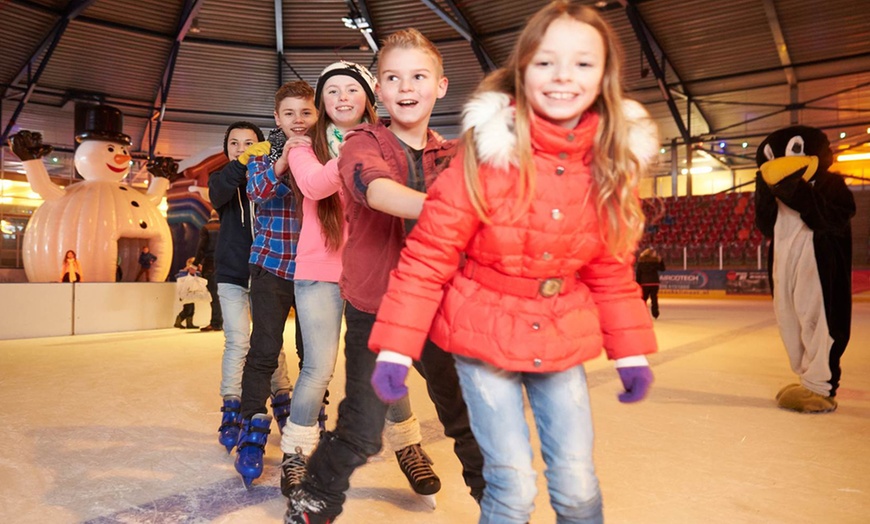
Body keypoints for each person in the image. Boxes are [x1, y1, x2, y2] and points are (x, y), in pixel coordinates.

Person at [367, 4, 660, 523]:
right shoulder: (484, 154)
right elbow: (430, 252)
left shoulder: (610, 163)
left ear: (605, 77)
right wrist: (396, 347)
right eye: (547, 62)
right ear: (523, 70)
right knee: (512, 486)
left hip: (560, 333)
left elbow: (609, 270)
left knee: (574, 482)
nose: (564, 76)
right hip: (483, 338)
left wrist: (631, 351)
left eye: (583, 64)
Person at [285, 29, 485, 524]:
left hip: (440, 310)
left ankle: (501, 507)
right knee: (362, 426)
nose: (406, 86)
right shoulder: (360, 143)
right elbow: (377, 191)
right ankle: (314, 501)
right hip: (378, 311)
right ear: (381, 91)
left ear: (439, 85)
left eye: (418, 76)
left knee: (469, 419)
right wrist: (452, 210)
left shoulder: (457, 154)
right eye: (393, 77)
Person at [234, 81, 316, 488]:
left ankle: (308, 423)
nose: (298, 120)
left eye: (306, 112)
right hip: (270, 266)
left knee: (311, 354)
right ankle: (252, 423)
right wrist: (285, 158)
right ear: (276, 118)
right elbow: (258, 191)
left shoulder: (325, 153)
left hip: (315, 270)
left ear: (316, 115)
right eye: (290, 113)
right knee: (264, 348)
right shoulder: (262, 154)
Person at [208, 121, 296, 453]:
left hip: (266, 273)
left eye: (249, 143)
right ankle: (232, 405)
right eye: (234, 143)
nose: (241, 148)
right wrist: (240, 164)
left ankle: (283, 396)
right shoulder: (221, 178)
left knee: (268, 342)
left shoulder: (270, 178)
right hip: (232, 275)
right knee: (237, 341)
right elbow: (220, 192)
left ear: (261, 146)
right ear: (226, 147)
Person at [754, 125, 856, 413]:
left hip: (817, 260)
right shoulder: (775, 191)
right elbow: (765, 225)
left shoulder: (830, 184)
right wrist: (764, 191)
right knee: (788, 316)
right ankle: (807, 377)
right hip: (783, 260)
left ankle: (821, 387)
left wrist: (796, 192)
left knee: (817, 317)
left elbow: (835, 216)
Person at [195, 209, 223, 331]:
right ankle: (223, 322)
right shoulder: (225, 227)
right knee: (224, 295)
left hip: (211, 264)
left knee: (214, 295)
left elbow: (201, 247)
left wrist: (195, 264)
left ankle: (216, 322)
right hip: (225, 264)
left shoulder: (206, 228)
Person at [174, 257, 207, 329]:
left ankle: (189, 323)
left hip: (191, 294)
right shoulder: (184, 273)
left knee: (191, 309)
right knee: (187, 309)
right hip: (186, 293)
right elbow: (181, 279)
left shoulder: (194, 273)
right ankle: (178, 321)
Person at [636, 247, 665, 319]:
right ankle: (655, 313)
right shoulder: (654, 263)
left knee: (643, 299)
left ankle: (641, 313)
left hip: (645, 283)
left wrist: (638, 283)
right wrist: (661, 261)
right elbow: (663, 269)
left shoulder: (641, 263)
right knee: (654, 298)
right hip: (654, 283)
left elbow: (638, 274)